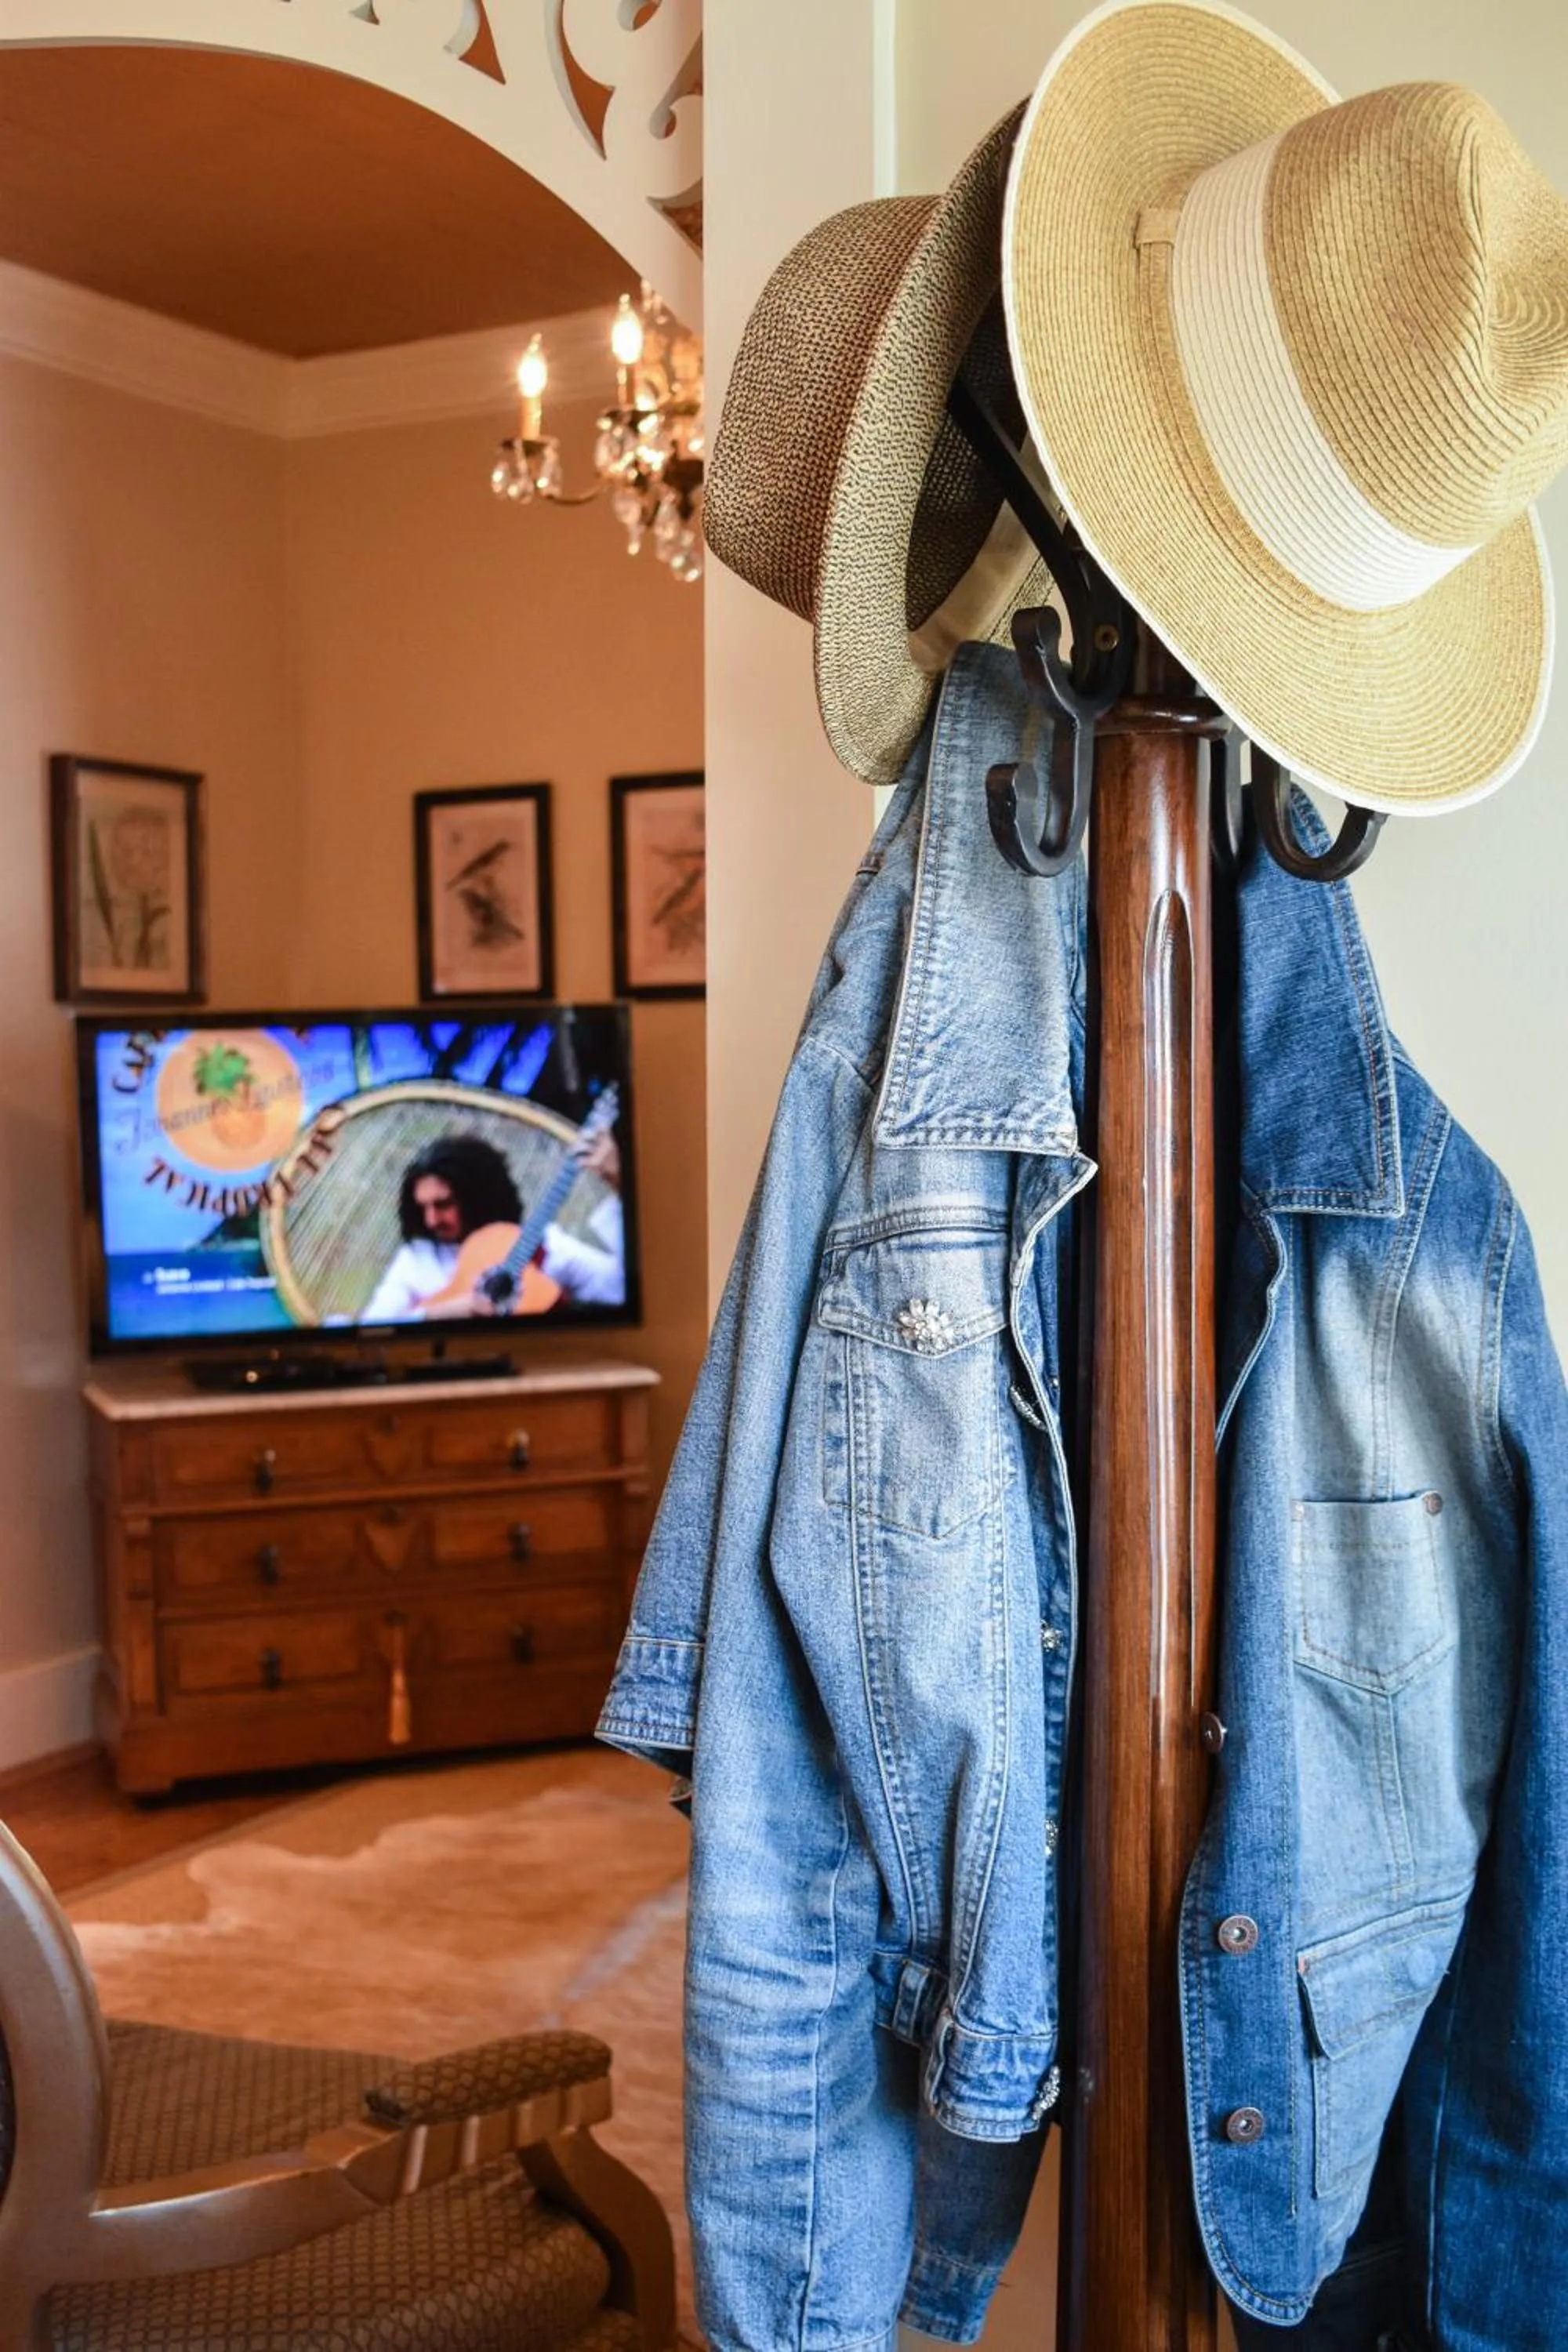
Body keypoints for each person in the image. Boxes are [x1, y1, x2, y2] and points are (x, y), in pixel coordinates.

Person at [362, 1131, 624, 1322]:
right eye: (423, 1208)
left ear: (477, 1196)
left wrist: (620, 1185)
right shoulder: (418, 1259)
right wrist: (444, 1312)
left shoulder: (541, 1246)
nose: (431, 1220)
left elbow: (620, 1290)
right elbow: (373, 1326)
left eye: (443, 1204)